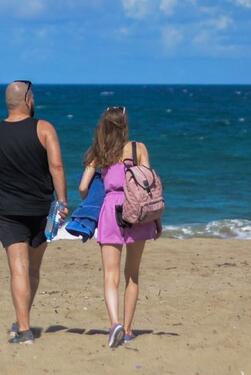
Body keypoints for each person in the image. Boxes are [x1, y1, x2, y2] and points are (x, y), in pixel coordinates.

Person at [79, 106, 161, 348]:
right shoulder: (139, 148)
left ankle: (114, 323)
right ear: (125, 126)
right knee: (132, 275)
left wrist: (99, 184)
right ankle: (127, 330)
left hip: (111, 212)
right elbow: (149, 184)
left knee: (110, 275)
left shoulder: (99, 152)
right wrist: (157, 219)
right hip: (137, 212)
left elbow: (83, 189)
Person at [0, 81, 68, 344]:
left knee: (19, 268)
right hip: (41, 209)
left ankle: (24, 327)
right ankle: (23, 321)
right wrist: (62, 201)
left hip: (8, 212)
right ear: (28, 99)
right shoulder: (44, 128)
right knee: (33, 270)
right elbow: (57, 166)